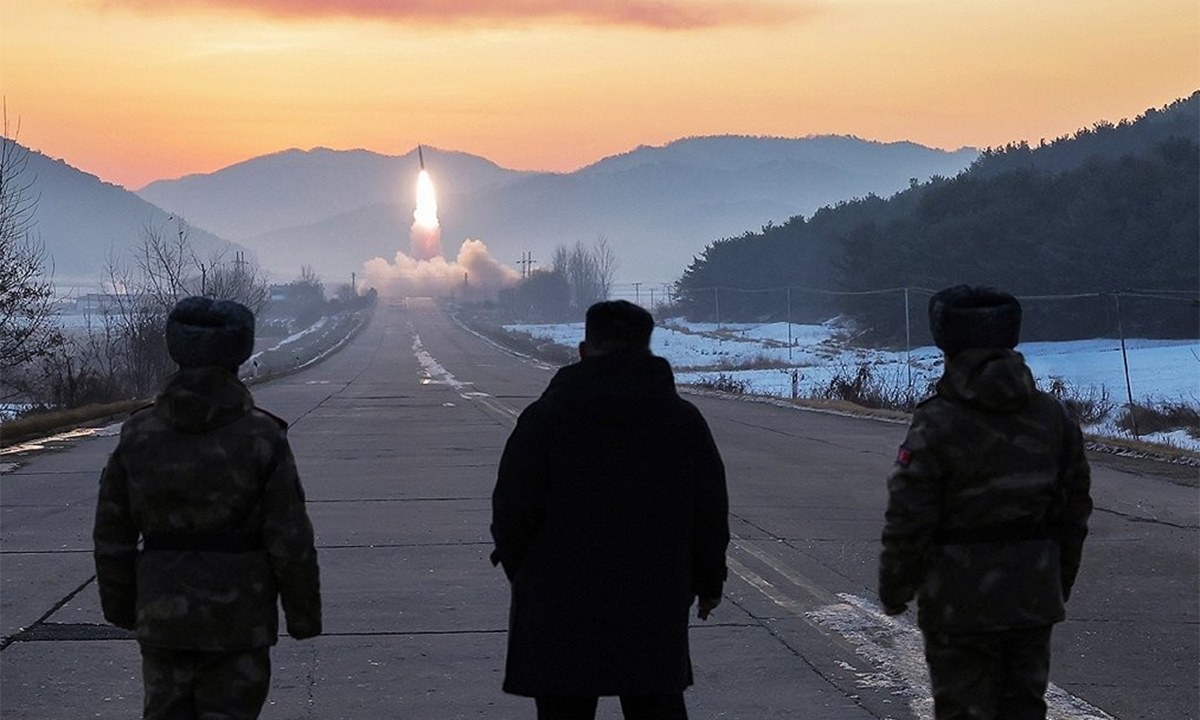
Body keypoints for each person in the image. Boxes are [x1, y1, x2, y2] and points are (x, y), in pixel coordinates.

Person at [491, 300, 730, 720]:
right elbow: (709, 513)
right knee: (656, 705)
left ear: (584, 350)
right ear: (647, 349)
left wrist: (528, 577)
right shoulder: (682, 421)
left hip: (559, 605)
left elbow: (511, 512)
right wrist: (708, 582)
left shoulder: (544, 418)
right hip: (653, 605)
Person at [93, 296, 322, 720]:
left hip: (163, 614)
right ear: (239, 352)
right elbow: (290, 537)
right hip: (240, 618)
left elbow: (112, 534)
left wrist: (123, 607)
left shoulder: (138, 434)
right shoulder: (262, 437)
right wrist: (303, 615)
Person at [879, 285, 1092, 720]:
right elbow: (1074, 513)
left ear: (946, 342)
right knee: (1025, 709)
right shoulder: (1054, 417)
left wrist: (896, 587)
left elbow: (909, 515)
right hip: (1033, 596)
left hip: (958, 602)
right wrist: (1056, 582)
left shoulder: (937, 420)